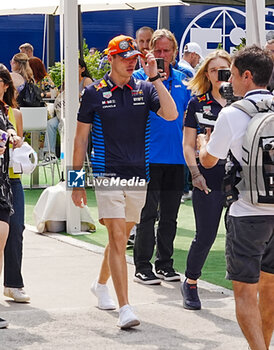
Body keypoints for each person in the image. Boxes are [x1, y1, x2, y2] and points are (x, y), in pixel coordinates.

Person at [71, 34, 178, 329]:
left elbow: (171, 115)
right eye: (126, 58)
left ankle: (100, 284)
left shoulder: (145, 88)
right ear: (112, 59)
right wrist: (75, 181)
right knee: (118, 237)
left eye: (135, 58)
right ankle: (126, 308)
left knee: (118, 238)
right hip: (106, 174)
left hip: (138, 176)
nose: (132, 63)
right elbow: (80, 139)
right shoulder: (93, 92)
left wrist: (155, 77)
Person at [198, 45, 274, 350]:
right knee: (269, 288)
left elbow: (209, 160)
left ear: (246, 75)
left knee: (245, 292)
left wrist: (203, 142)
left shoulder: (231, 113)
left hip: (247, 212)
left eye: (234, 74)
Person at [132, 29, 190, 285]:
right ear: (150, 52)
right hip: (147, 158)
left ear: (175, 52)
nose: (163, 54)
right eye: (158, 50)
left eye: (167, 50)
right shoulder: (137, 79)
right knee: (146, 215)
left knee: (170, 216)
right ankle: (142, 265)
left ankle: (165, 264)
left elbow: (190, 119)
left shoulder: (185, 81)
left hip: (177, 158)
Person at [181, 49, 231, 310]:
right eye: (213, 70)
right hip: (208, 175)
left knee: (242, 232)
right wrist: (196, 174)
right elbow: (188, 144)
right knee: (206, 235)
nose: (219, 75)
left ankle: (247, 283)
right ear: (206, 74)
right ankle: (190, 282)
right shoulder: (197, 102)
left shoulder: (243, 102)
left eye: (224, 69)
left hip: (238, 176)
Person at [0, 65, 30, 304]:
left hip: (13, 177)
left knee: (16, 229)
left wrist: (15, 140)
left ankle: (13, 284)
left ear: (5, 84)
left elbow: (18, 144)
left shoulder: (14, 114)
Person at [0, 66, 22, 328]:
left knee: (3, 237)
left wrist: (15, 137)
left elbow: (10, 131)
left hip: (3, 184)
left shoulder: (4, 111)